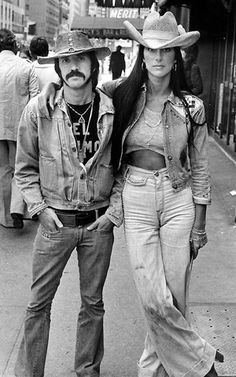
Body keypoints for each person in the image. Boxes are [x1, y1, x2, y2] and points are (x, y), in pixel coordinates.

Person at [38, 11, 224, 377]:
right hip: (136, 198)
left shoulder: (192, 107)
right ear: (142, 52)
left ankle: (150, 370)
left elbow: (201, 168)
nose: (157, 57)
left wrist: (200, 226)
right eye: (150, 49)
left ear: (176, 56)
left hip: (178, 198)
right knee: (154, 298)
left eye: (165, 51)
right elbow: (80, 90)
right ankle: (202, 362)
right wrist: (53, 87)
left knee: (175, 297)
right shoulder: (121, 93)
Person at [14, 30, 116, 377]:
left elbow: (125, 168)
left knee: (93, 305)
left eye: (80, 59)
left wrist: (112, 214)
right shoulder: (38, 111)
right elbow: (24, 168)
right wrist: (39, 210)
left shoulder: (111, 110)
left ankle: (86, 371)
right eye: (66, 60)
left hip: (98, 225)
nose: (73, 66)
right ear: (58, 68)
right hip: (54, 223)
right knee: (38, 304)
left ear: (93, 63)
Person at [0, 29, 39, 229]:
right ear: (15, 46)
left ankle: (5, 216)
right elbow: (35, 100)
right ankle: (18, 209)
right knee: (19, 170)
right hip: (19, 127)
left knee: (3, 171)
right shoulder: (26, 67)